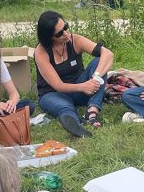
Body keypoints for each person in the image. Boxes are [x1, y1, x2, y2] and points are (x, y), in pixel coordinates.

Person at [34, 10, 114, 138]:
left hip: (80, 90)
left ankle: (92, 112)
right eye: (60, 33)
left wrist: (95, 78)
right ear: (49, 37)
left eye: (65, 27)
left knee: (99, 62)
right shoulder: (41, 52)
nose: (65, 33)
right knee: (64, 106)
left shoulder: (75, 40)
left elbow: (108, 54)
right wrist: (83, 86)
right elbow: (58, 85)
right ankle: (74, 125)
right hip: (53, 93)